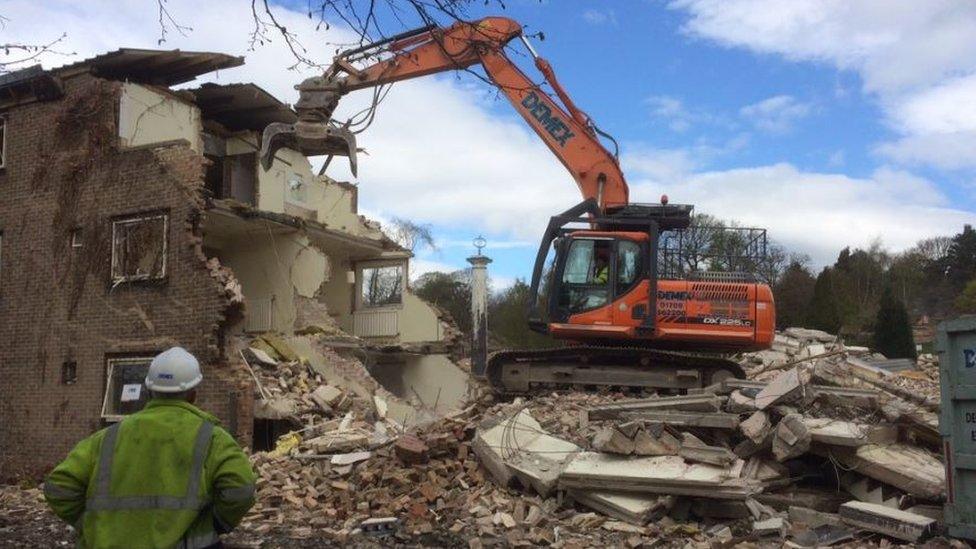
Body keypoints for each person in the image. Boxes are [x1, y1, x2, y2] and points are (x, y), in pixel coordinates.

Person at [44, 347, 256, 549]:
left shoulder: (107, 437)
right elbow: (241, 489)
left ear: (149, 391)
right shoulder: (212, 438)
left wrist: (91, 524)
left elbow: (59, 486)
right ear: (193, 395)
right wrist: (217, 523)